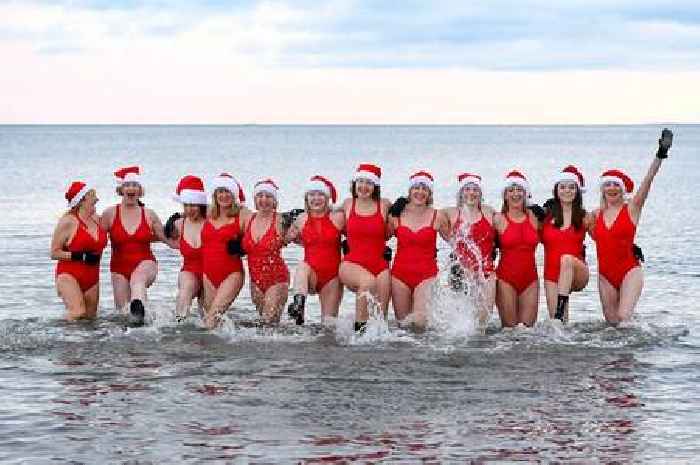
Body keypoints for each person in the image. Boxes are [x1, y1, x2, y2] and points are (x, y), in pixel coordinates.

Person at [591, 128, 672, 325]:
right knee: (612, 324)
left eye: (616, 185)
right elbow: (571, 224)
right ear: (603, 189)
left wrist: (660, 154)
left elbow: (648, 180)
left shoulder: (632, 208)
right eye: (608, 185)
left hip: (629, 270)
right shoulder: (595, 215)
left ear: (622, 189)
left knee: (623, 317)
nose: (612, 188)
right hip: (605, 275)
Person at [100, 166, 168, 327]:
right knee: (124, 314)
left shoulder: (149, 214)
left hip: (145, 263)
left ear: (140, 191)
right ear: (121, 189)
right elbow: (97, 241)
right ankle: (139, 328)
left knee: (137, 281)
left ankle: (139, 306)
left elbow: (166, 239)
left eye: (135, 185)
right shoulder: (109, 214)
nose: (131, 188)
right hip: (119, 267)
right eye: (128, 185)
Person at [388, 171, 450, 331]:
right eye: (416, 187)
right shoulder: (396, 214)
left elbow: (456, 241)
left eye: (425, 189)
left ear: (429, 194)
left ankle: (424, 355)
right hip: (399, 276)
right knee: (403, 327)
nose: (420, 192)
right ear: (409, 191)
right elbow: (376, 238)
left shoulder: (437, 216)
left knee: (420, 322)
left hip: (427, 276)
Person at [339, 163, 392, 332]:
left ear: (375, 186)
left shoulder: (384, 205)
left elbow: (407, 215)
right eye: (360, 182)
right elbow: (323, 213)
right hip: (352, 264)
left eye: (369, 183)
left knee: (380, 320)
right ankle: (358, 334)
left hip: (380, 266)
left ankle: (376, 348)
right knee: (368, 282)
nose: (363, 186)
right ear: (354, 184)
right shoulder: (348, 204)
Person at [286, 175, 344, 325]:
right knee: (302, 267)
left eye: (320, 195)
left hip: (332, 277)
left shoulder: (338, 217)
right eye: (312, 195)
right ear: (306, 198)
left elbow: (359, 234)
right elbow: (285, 239)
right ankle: (298, 304)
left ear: (327, 198)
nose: (316, 198)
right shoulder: (301, 218)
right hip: (309, 274)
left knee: (329, 326)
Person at [443, 173, 497, 328]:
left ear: (480, 194)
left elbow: (510, 223)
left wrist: (531, 207)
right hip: (461, 272)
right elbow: (426, 215)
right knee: (461, 324)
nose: (471, 193)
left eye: (475, 189)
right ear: (461, 193)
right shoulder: (451, 213)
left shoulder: (489, 212)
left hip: (486, 272)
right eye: (467, 189)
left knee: (482, 322)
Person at [51, 181, 108, 320]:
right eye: (92, 195)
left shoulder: (98, 220)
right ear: (81, 200)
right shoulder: (68, 221)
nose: (97, 199)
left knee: (90, 319)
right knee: (77, 312)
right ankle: (59, 339)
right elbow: (54, 252)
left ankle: (83, 342)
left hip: (92, 278)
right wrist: (81, 256)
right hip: (68, 275)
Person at [541, 166, 591, 323]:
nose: (567, 191)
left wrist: (629, 246)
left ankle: (561, 305)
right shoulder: (546, 217)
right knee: (558, 325)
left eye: (571, 187)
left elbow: (605, 237)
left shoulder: (584, 217)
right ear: (556, 190)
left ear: (577, 191)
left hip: (577, 272)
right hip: (552, 274)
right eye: (562, 187)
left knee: (567, 259)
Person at [200, 173, 250, 328]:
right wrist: (174, 219)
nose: (224, 195)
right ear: (215, 195)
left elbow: (258, 228)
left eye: (227, 191)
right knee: (211, 320)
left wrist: (242, 246)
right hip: (208, 273)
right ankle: (223, 350)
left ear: (234, 194)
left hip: (232, 273)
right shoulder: (208, 213)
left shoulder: (242, 213)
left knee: (211, 319)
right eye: (220, 192)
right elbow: (188, 215)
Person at [493, 170, 540, 328]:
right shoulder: (498, 219)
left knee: (527, 332)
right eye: (511, 190)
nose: (515, 194)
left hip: (530, 280)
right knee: (509, 331)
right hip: (506, 280)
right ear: (505, 195)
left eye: (519, 190)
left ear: (526, 194)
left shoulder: (535, 218)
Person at [241, 179, 290, 325]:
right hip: (255, 280)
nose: (264, 200)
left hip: (277, 279)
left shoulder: (281, 220)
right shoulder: (248, 219)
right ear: (255, 199)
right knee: (266, 326)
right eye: (260, 196)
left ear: (275, 201)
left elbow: (304, 228)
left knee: (268, 324)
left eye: (268, 196)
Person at [164, 175, 208, 322]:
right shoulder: (179, 224)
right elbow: (154, 235)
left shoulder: (211, 223)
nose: (189, 209)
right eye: (186, 205)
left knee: (208, 318)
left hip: (212, 273)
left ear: (201, 204)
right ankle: (178, 327)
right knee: (185, 290)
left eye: (194, 205)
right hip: (189, 271)